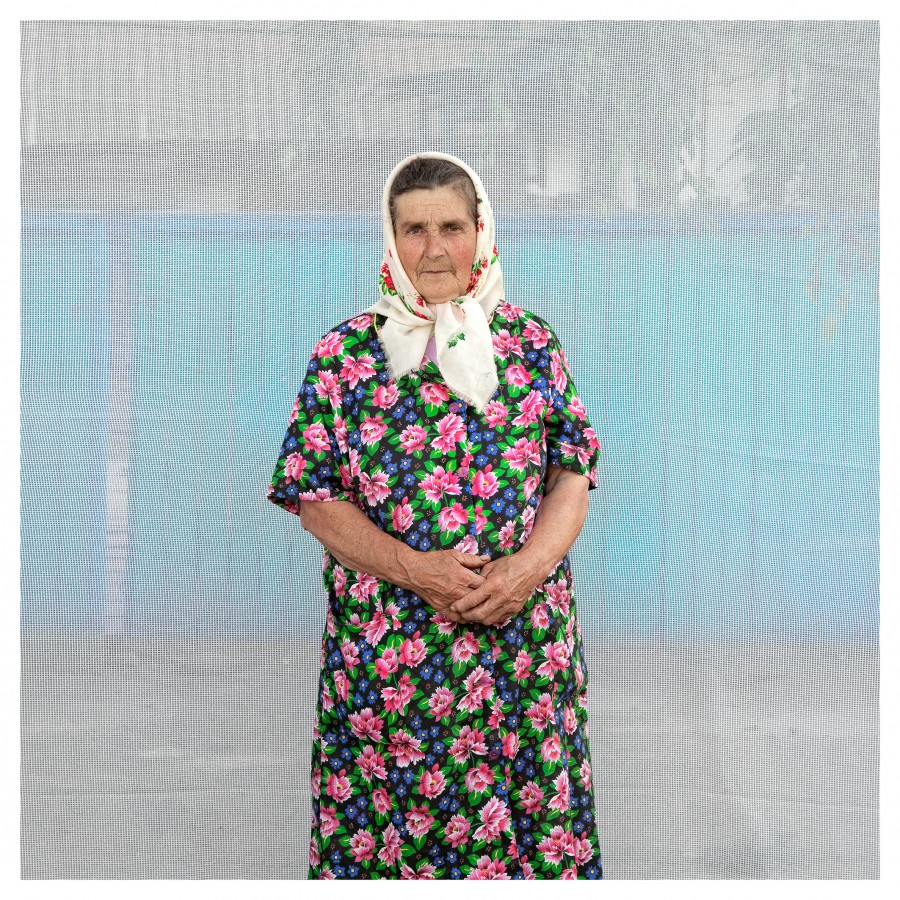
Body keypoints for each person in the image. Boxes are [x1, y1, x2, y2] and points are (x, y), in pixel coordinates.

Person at [267, 152, 603, 879]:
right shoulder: (344, 357)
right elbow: (315, 497)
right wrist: (417, 570)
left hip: (520, 658)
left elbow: (572, 475)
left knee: (531, 850)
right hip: (391, 671)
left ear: (481, 231)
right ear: (391, 239)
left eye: (451, 227)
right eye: (414, 229)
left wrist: (526, 570)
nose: (434, 248)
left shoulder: (530, 345)